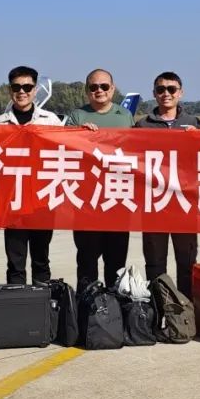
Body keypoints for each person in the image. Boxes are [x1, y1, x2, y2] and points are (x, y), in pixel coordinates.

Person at [134, 71, 200, 299]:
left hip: (184, 204)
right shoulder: (142, 125)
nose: (166, 94)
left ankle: (185, 313)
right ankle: (158, 310)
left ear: (180, 93)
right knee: (155, 263)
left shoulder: (193, 123)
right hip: (154, 205)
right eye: (161, 89)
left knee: (187, 261)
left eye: (171, 89)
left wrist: (198, 139)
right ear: (154, 94)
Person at [0, 66, 63, 284]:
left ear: (35, 90)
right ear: (10, 90)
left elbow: (68, 151)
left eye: (27, 87)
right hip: (12, 202)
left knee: (41, 259)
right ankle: (18, 308)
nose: (21, 91)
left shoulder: (51, 121)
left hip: (42, 201)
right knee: (15, 262)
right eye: (16, 87)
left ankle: (43, 309)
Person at [66, 68, 134, 289]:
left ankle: (113, 314)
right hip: (87, 201)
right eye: (94, 87)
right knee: (86, 261)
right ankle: (88, 312)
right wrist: (79, 134)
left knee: (116, 263)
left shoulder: (125, 117)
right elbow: (65, 152)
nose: (99, 90)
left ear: (112, 89)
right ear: (87, 90)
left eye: (104, 86)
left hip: (117, 198)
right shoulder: (77, 116)